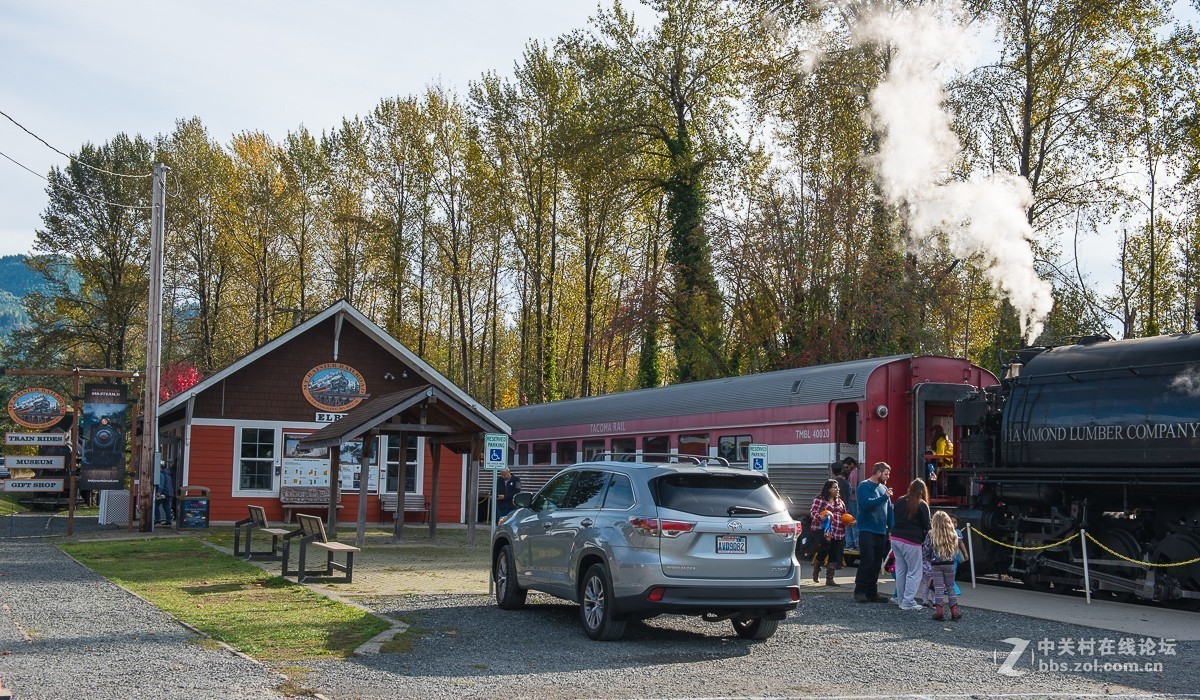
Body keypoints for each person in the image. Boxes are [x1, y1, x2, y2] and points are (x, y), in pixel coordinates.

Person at [853, 462, 894, 603]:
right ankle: (860, 590)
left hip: (881, 531)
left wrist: (891, 529)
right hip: (867, 530)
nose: (888, 477)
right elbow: (866, 504)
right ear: (878, 473)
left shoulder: (884, 489)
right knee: (868, 560)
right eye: (886, 474)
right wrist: (884, 497)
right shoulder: (864, 486)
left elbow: (889, 512)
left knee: (877, 563)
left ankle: (872, 592)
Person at [890, 479, 931, 610]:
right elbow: (927, 525)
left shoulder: (900, 500)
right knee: (914, 572)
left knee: (901, 570)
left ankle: (900, 599)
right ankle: (908, 601)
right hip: (911, 541)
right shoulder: (922, 504)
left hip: (896, 538)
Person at [923, 510, 963, 621]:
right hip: (949, 564)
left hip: (936, 564)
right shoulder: (953, 534)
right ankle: (954, 612)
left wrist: (928, 560)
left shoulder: (931, 534)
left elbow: (926, 550)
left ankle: (939, 612)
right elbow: (956, 550)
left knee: (939, 588)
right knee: (950, 587)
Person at [807, 479, 847, 586]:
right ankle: (816, 571)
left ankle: (830, 579)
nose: (837, 489)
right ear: (828, 489)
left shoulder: (840, 502)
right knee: (823, 552)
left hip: (838, 532)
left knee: (834, 555)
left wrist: (850, 521)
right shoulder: (820, 500)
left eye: (837, 488)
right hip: (825, 532)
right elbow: (813, 512)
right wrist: (821, 517)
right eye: (835, 487)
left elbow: (844, 515)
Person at [842, 457, 860, 551]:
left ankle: (853, 544)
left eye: (847, 467)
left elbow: (853, 488)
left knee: (851, 522)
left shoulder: (854, 473)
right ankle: (852, 543)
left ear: (852, 464)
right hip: (852, 500)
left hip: (853, 500)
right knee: (849, 522)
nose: (846, 469)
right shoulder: (853, 473)